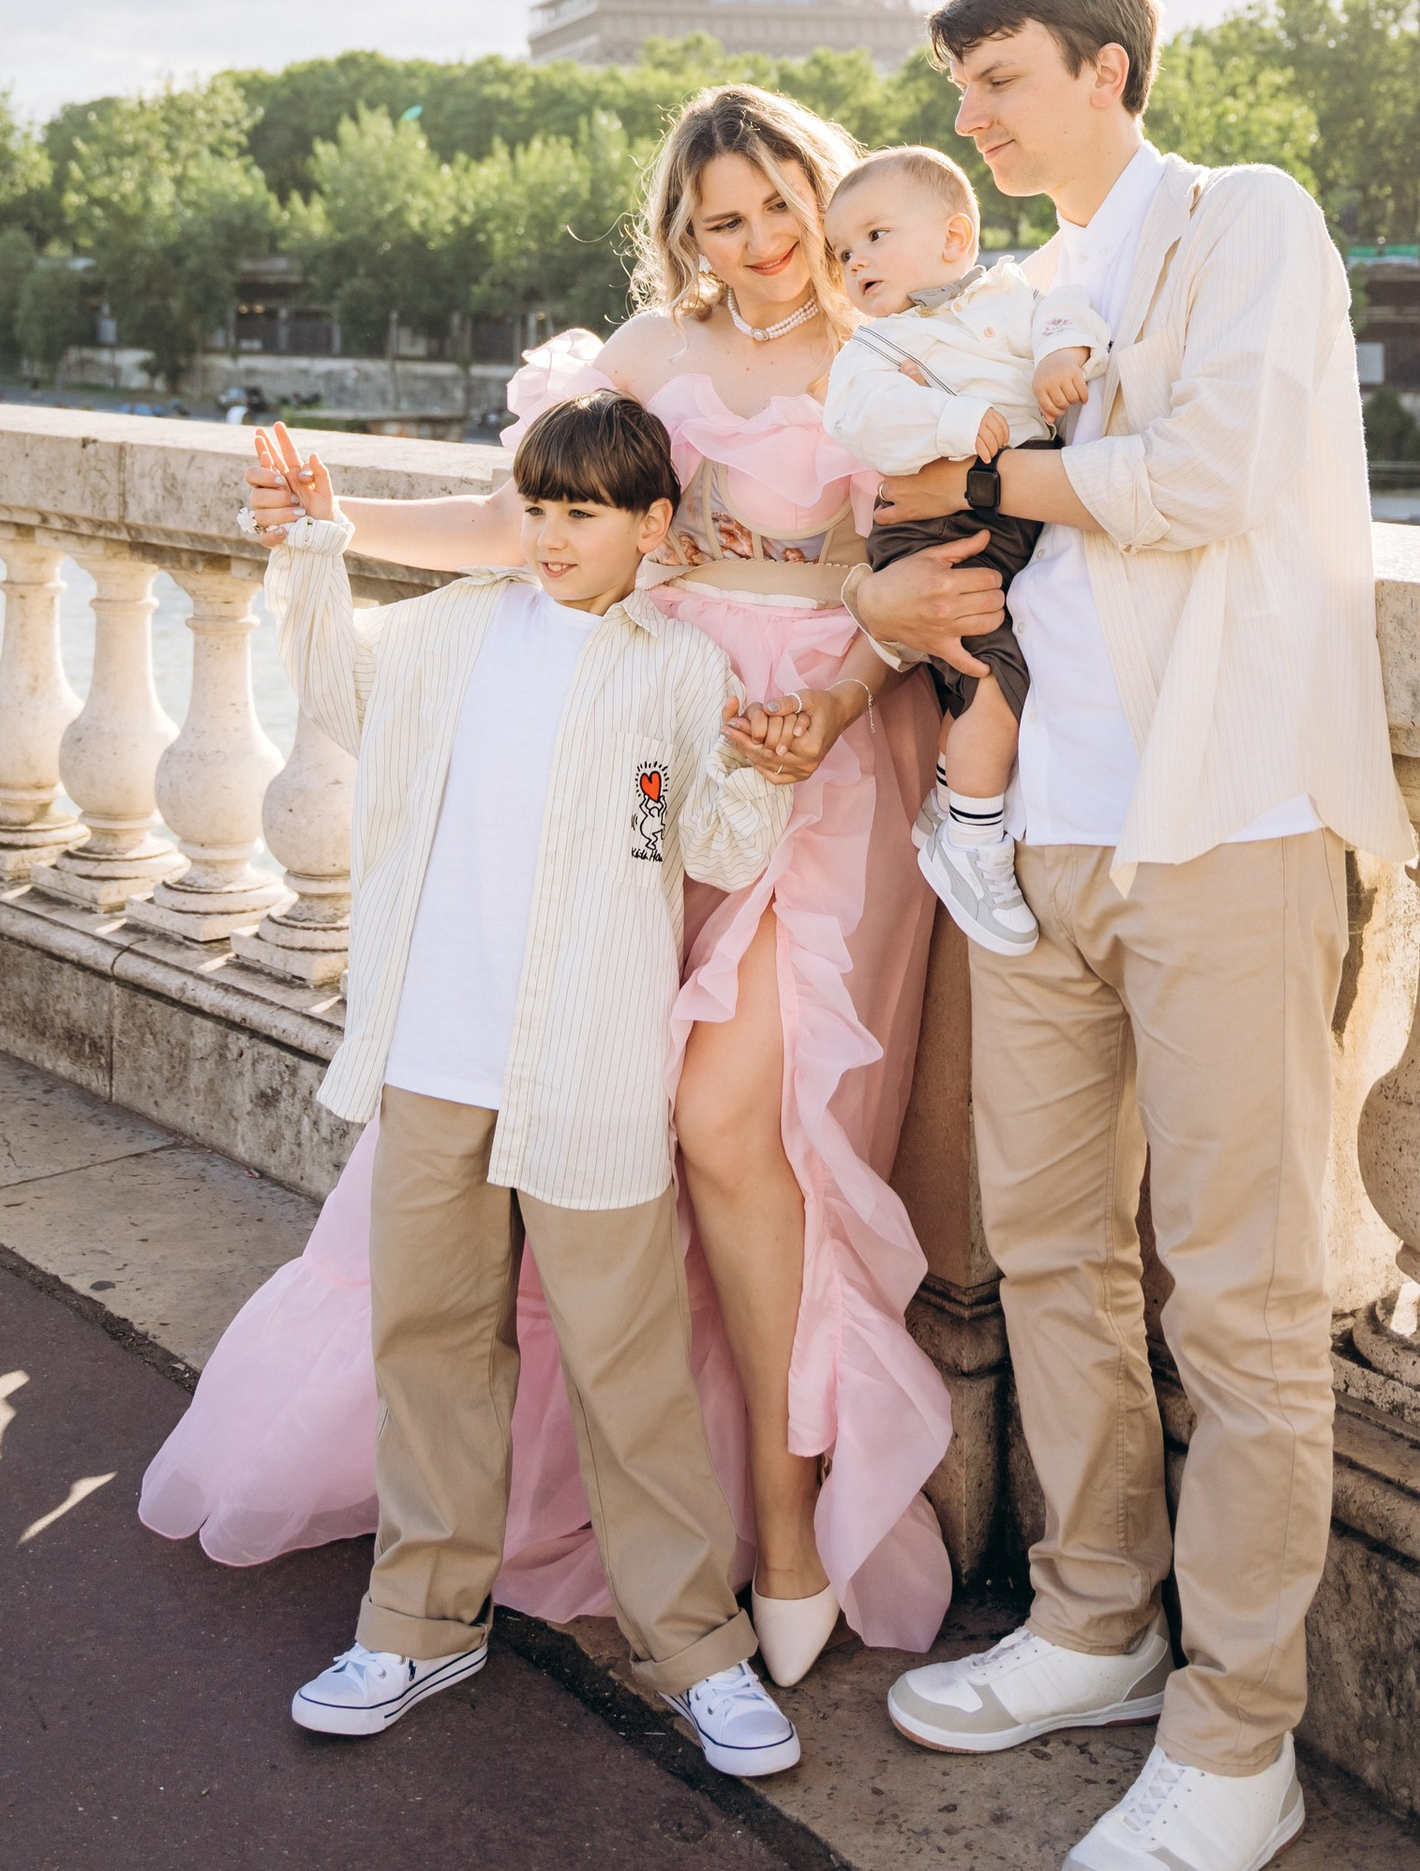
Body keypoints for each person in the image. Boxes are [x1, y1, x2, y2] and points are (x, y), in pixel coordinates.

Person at [172, 81, 953, 1687]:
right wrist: (339, 515)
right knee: (593, 1093)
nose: (756, 243)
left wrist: (841, 700)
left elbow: (922, 581)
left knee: (733, 1124)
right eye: (719, 219)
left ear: (824, 192)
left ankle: (787, 1533)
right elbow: (535, 514)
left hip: (819, 759)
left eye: (779, 206)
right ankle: (581, 1516)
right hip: (645, 727)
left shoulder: (896, 358)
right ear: (686, 231)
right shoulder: (656, 362)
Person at [860, 0, 1416, 1871]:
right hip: (1047, 840)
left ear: (1107, 67)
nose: (970, 117)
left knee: (1245, 1306)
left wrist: (1007, 468)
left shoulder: (1247, 221)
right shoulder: (1017, 289)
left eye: (1000, 77)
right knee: (1051, 1254)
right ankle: (1095, 1616)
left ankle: (1238, 1734)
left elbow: (1218, 472)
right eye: (959, 87)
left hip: (1225, 823)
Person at [157, 387, 804, 1778]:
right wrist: (315, 544)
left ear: (652, 527)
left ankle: (698, 1648)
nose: (553, 535)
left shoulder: (679, 674)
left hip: (589, 1068)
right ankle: (420, 1622)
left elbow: (719, 850)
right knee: (434, 1348)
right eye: (536, 507)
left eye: (583, 513)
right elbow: (328, 688)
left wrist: (762, 776)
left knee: (628, 1367)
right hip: (434, 1053)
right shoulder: (447, 631)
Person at [820, 143, 1108, 958]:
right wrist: (950, 427)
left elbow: (1069, 311)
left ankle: (957, 799)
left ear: (953, 238)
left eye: (875, 236)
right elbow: (858, 420)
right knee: (992, 674)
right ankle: (970, 837)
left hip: (1014, 518)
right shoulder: (873, 350)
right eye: (843, 251)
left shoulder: (1015, 299)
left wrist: (1061, 355)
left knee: (1022, 659)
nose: (855, 261)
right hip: (930, 530)